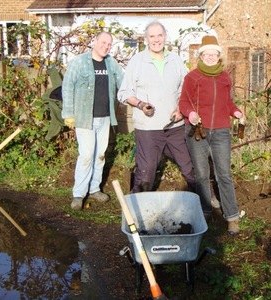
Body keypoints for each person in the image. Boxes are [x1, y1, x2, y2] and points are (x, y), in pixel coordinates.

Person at [117, 21, 195, 193]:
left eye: (159, 35)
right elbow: (123, 93)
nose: (156, 40)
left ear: (165, 37)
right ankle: (135, 212)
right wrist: (141, 104)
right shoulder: (137, 62)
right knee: (145, 174)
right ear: (146, 39)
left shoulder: (175, 60)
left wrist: (181, 110)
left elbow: (187, 89)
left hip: (174, 126)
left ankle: (207, 204)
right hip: (148, 129)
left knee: (190, 167)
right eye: (152, 36)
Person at [179, 35, 244, 235]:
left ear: (219, 56)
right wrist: (190, 114)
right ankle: (205, 212)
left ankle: (231, 216)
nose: (210, 57)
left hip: (221, 131)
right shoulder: (192, 77)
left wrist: (237, 112)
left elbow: (228, 103)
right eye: (206, 54)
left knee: (224, 174)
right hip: (198, 131)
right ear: (201, 55)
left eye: (213, 54)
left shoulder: (225, 77)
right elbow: (183, 103)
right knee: (202, 175)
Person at [62, 31, 124, 210]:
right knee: (87, 155)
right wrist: (68, 113)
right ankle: (79, 194)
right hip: (84, 117)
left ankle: (95, 188)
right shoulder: (78, 62)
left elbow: (123, 83)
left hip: (105, 117)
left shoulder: (111, 63)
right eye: (103, 42)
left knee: (100, 154)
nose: (106, 46)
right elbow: (67, 87)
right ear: (94, 42)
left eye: (109, 44)